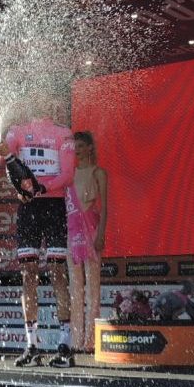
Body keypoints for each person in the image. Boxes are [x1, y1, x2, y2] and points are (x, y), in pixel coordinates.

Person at [0, 98, 76, 368]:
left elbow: (68, 173)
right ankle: (32, 345)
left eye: (48, 100)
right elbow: (3, 158)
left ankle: (66, 345)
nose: (43, 106)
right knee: (28, 274)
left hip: (52, 206)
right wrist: (1, 148)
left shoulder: (64, 133)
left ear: (54, 105)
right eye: (37, 100)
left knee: (57, 273)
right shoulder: (17, 131)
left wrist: (42, 187)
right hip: (28, 207)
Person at [66, 131, 107, 351]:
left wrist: (101, 234)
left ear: (90, 147)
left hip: (91, 231)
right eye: (75, 147)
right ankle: (76, 339)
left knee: (92, 288)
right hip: (72, 235)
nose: (77, 150)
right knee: (75, 289)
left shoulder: (99, 173)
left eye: (81, 146)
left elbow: (105, 209)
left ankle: (91, 341)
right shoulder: (68, 175)